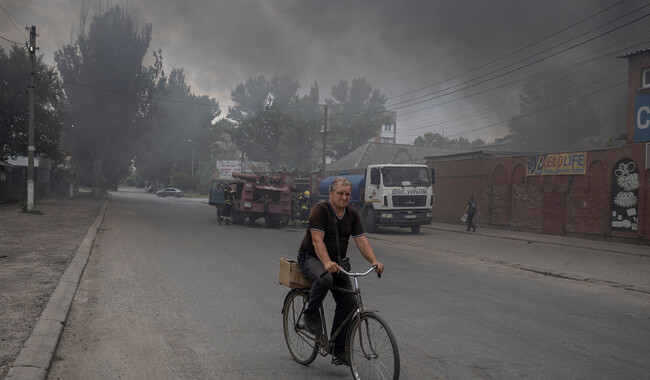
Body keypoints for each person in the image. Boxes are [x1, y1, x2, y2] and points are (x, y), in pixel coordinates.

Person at [297, 177, 384, 366]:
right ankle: (311, 314)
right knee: (325, 279)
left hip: (337, 263)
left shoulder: (352, 214)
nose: (344, 198)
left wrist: (374, 260)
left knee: (350, 302)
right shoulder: (320, 210)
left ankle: (337, 348)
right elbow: (317, 241)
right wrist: (327, 262)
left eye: (347, 194)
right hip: (311, 257)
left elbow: (361, 241)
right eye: (340, 194)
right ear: (331, 194)